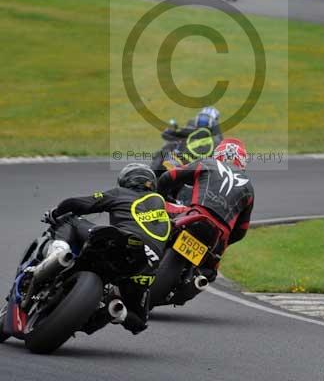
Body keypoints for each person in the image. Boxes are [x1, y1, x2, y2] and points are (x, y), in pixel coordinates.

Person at [41, 163, 170, 335]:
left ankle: (59, 252)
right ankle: (115, 311)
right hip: (145, 266)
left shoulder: (121, 193)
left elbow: (79, 203)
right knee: (139, 319)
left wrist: (57, 211)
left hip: (119, 242)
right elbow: (139, 325)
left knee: (69, 219)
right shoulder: (164, 209)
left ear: (125, 182)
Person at [156, 138, 254, 281]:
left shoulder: (208, 163)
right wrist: (224, 241)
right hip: (220, 236)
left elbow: (168, 177)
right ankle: (194, 281)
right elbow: (241, 231)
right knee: (208, 273)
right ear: (243, 161)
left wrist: (160, 197)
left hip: (195, 215)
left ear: (217, 153)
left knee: (152, 208)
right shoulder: (249, 188)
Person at [151, 107, 223, 179]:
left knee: (164, 152)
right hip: (198, 166)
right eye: (202, 118)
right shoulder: (217, 138)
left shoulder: (214, 139)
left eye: (205, 119)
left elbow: (167, 134)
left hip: (192, 165)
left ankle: (151, 176)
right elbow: (167, 134)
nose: (203, 121)